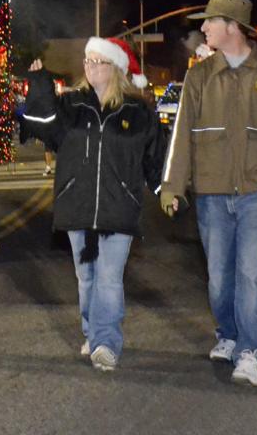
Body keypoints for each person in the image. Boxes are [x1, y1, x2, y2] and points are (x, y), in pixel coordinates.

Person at [160, 0, 257, 388]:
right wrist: (172, 185)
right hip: (211, 192)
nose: (204, 28)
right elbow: (181, 136)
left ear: (233, 27)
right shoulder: (200, 77)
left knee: (251, 276)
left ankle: (251, 351)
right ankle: (228, 333)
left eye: (211, 21)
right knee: (219, 279)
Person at [24, 37, 164, 372]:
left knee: (109, 278)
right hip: (78, 205)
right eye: (87, 60)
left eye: (97, 61)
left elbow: (156, 158)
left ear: (115, 68)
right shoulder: (71, 106)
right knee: (86, 277)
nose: (90, 67)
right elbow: (41, 126)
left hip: (119, 209)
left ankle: (106, 342)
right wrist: (40, 88)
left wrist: (169, 192)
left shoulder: (137, 112)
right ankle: (93, 331)